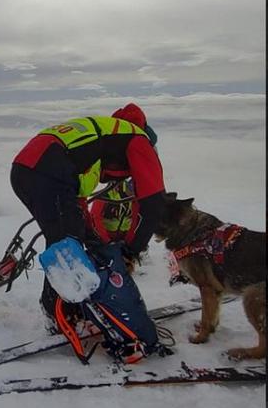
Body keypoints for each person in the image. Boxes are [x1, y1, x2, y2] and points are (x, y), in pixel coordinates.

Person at [10, 103, 166, 346]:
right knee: (66, 245)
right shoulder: (139, 140)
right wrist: (132, 248)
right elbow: (153, 202)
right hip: (48, 171)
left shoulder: (103, 136)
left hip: (25, 170)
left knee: (65, 239)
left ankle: (65, 311)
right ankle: (62, 315)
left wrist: (89, 233)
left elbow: (78, 196)